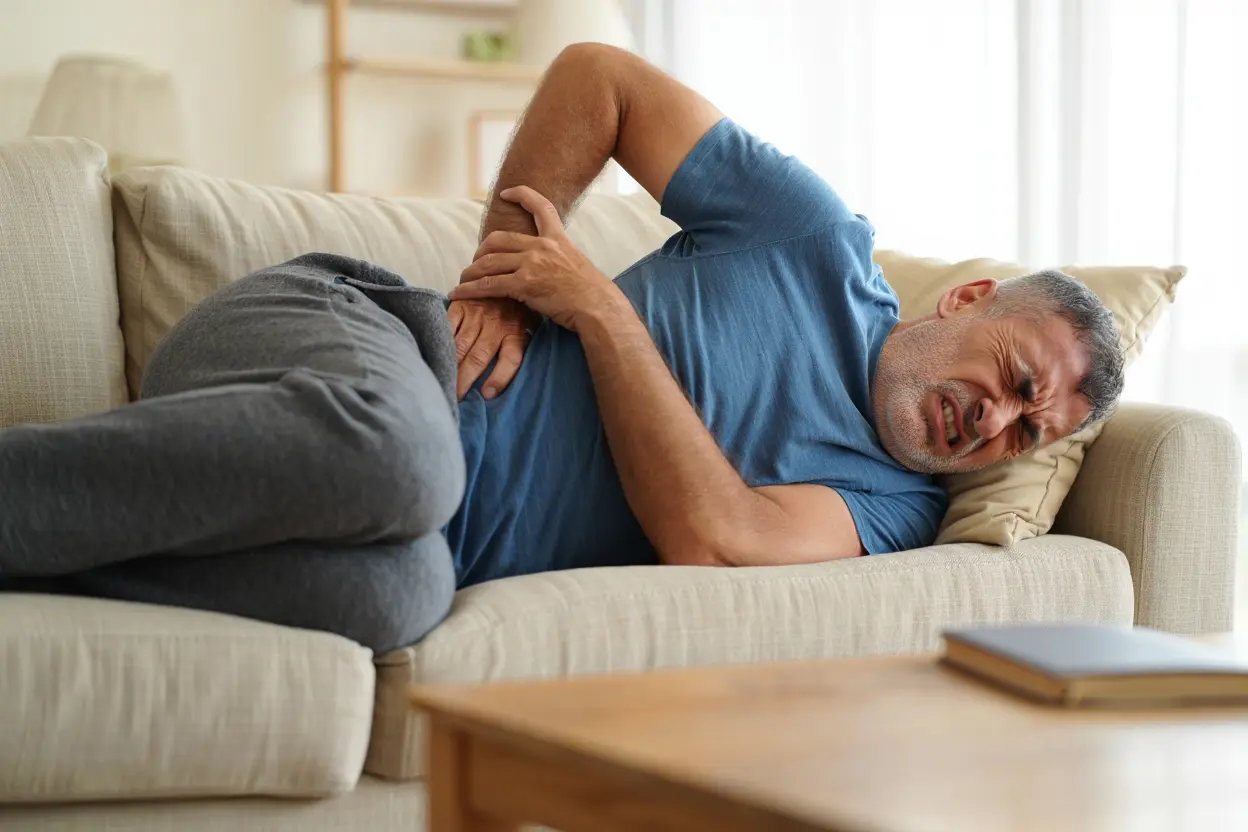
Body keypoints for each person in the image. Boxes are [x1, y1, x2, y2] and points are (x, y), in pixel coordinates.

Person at [0, 45, 1124, 652]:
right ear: (966, 300)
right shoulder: (812, 239)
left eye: (1028, 433)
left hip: (406, 530)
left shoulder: (895, 510)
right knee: (411, 463)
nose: (999, 422)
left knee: (401, 598)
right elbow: (602, 79)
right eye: (1017, 380)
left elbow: (713, 539)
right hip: (346, 337)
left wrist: (599, 311)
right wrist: (504, 275)